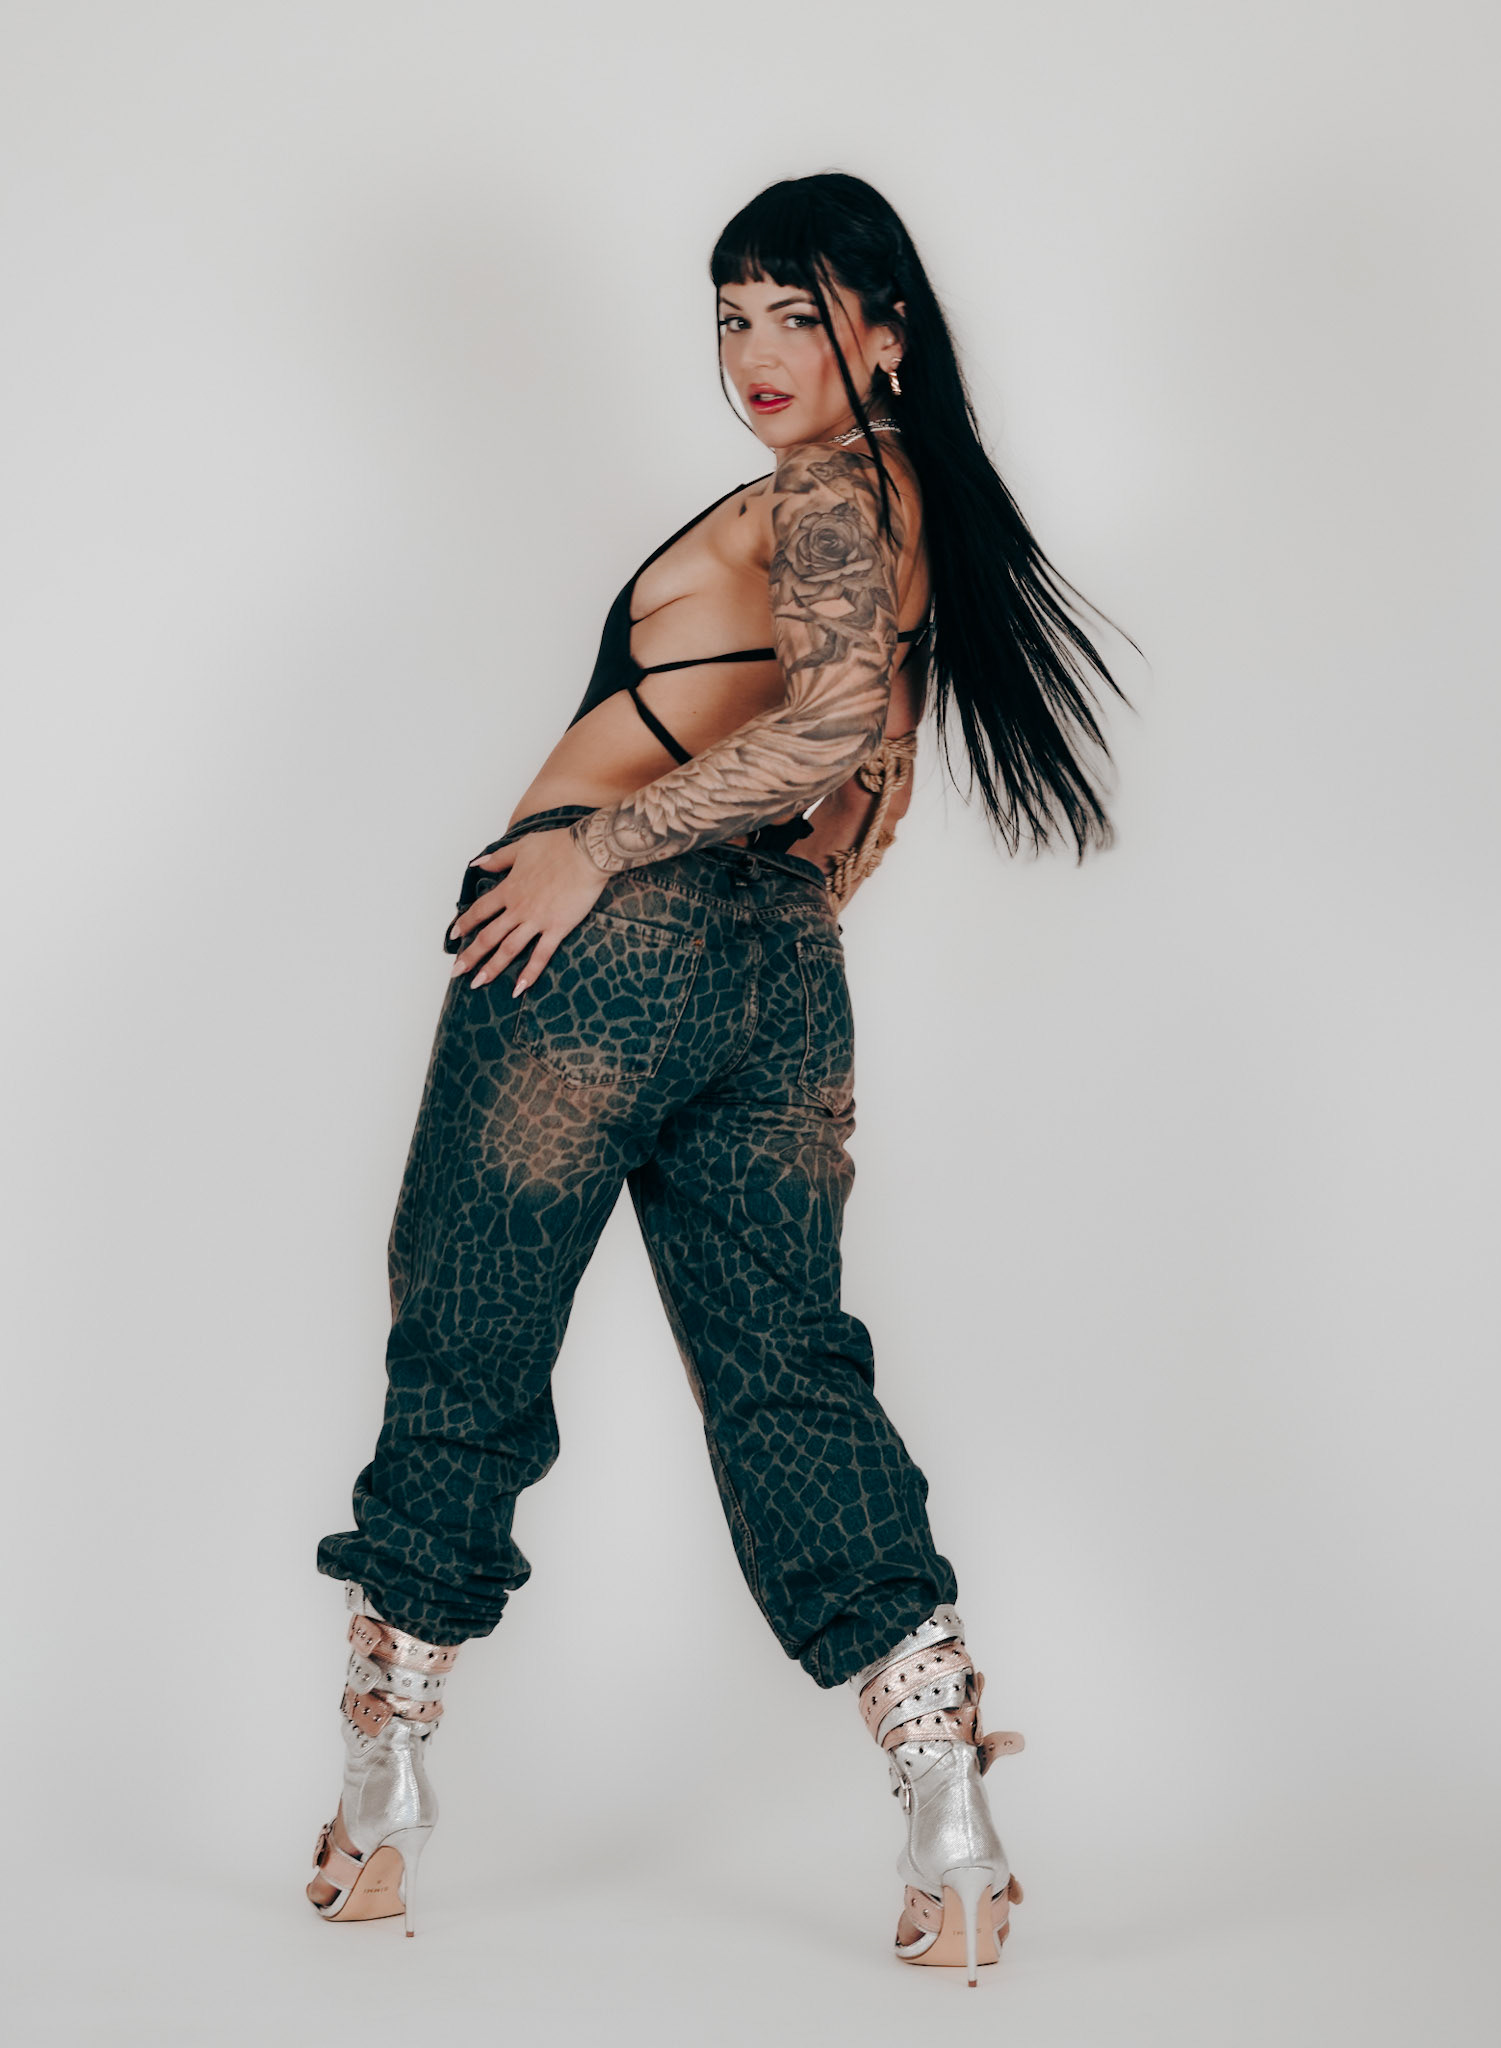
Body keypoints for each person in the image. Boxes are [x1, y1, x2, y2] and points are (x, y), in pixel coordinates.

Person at [307, 171, 1131, 1982]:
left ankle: (378, 1802)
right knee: (787, 1379)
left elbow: (824, 725)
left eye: (797, 313)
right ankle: (951, 1825)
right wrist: (773, 922)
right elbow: (871, 773)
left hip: (599, 962)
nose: (755, 352)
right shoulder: (914, 508)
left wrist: (596, 855)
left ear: (886, 332)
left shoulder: (826, 494)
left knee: (467, 1340)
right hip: (781, 982)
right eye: (730, 314)